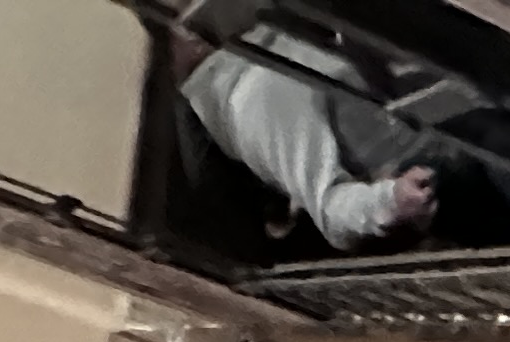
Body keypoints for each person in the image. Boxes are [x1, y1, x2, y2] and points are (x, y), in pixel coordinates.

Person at [181, 31, 443, 251]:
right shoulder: (260, 95)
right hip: (448, 156)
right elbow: (330, 208)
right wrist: (391, 199)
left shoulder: (284, 30)